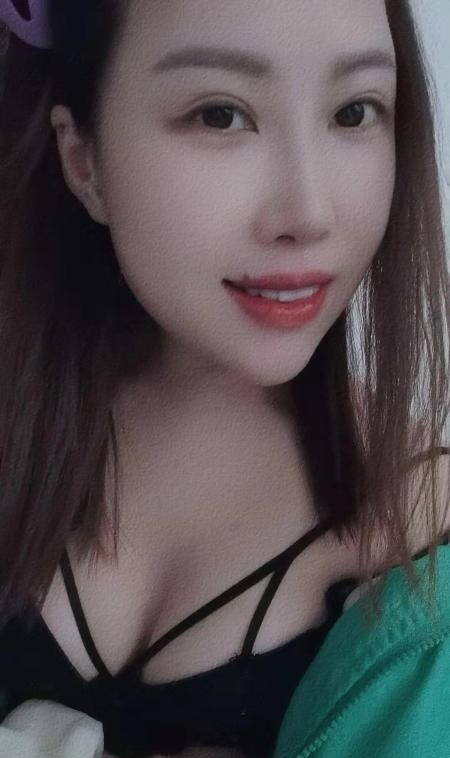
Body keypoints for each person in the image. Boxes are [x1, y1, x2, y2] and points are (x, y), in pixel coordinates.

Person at [0, 1, 448, 757]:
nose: (308, 213)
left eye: (353, 111)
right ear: (84, 161)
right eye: (220, 115)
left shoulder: (424, 548)